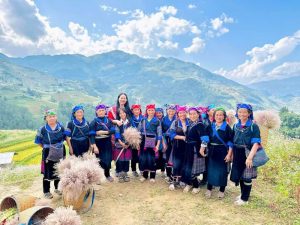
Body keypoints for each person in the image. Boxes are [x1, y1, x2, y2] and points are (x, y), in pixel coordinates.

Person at [230, 103, 261, 205]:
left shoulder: (253, 126)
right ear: (237, 113)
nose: (242, 114)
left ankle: (245, 199)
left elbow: (256, 144)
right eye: (240, 112)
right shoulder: (235, 126)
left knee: (247, 176)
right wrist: (231, 154)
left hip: (248, 152)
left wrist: (250, 158)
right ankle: (243, 194)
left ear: (249, 113)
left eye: (244, 112)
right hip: (237, 153)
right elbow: (233, 141)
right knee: (241, 175)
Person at [34, 109, 66, 199]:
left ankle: (58, 188)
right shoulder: (42, 129)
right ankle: (46, 191)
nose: (52, 118)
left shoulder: (61, 127)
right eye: (50, 117)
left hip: (60, 151)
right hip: (48, 152)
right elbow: (39, 142)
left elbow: (64, 138)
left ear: (56, 117)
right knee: (47, 172)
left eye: (53, 116)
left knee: (59, 170)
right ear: (46, 118)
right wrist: (47, 148)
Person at [205, 107, 233, 199]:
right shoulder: (210, 126)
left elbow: (230, 142)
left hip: (222, 151)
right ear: (214, 116)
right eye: (217, 114)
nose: (219, 116)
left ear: (224, 116)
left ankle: (222, 190)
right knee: (211, 169)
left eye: (221, 115)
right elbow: (206, 138)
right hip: (211, 150)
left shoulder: (227, 127)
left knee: (222, 171)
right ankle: (209, 188)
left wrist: (229, 154)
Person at [181, 107, 209, 194]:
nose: (192, 116)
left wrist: (202, 149)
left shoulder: (200, 125)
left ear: (198, 114)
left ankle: (196, 186)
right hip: (188, 148)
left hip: (195, 149)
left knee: (192, 169)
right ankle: (189, 183)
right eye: (191, 114)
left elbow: (205, 138)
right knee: (187, 167)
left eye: (194, 114)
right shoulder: (190, 124)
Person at [90, 104, 115, 182]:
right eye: (99, 111)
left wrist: (102, 132)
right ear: (96, 112)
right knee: (98, 160)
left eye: (102, 110)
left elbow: (113, 130)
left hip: (107, 142)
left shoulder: (108, 120)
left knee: (107, 159)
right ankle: (98, 177)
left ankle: (107, 175)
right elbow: (91, 135)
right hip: (98, 143)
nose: (101, 112)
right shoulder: (94, 122)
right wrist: (94, 146)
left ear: (105, 111)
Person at [138, 104, 162, 183]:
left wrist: (158, 145)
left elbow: (159, 134)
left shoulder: (157, 121)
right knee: (144, 158)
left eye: (152, 110)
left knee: (152, 159)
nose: (151, 112)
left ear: (154, 111)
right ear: (146, 111)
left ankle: (152, 176)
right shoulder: (143, 120)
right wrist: (138, 143)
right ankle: (145, 175)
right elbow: (138, 132)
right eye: (149, 110)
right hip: (143, 141)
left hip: (153, 141)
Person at [168, 106, 188, 190]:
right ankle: (174, 181)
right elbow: (171, 134)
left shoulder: (189, 122)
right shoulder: (175, 123)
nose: (182, 114)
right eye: (180, 113)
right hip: (177, 146)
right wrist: (182, 137)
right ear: (178, 114)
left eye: (184, 112)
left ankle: (183, 180)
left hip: (187, 147)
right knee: (176, 163)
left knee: (185, 163)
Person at [114, 108, 133, 182]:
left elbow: (132, 132)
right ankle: (120, 173)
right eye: (120, 113)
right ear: (119, 115)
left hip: (128, 144)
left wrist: (128, 143)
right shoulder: (118, 123)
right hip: (119, 144)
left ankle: (125, 173)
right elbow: (117, 133)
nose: (122, 114)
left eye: (123, 113)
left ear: (126, 113)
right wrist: (121, 142)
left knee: (126, 159)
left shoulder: (130, 123)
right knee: (120, 159)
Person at [161, 105, 176, 182]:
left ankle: (175, 173)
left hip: (175, 140)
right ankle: (168, 174)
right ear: (167, 111)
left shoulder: (177, 119)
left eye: (173, 110)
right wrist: (163, 143)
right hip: (166, 140)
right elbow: (161, 132)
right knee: (167, 157)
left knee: (174, 157)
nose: (171, 112)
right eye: (169, 110)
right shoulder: (163, 119)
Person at [130, 104, 144, 177]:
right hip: (133, 139)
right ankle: (134, 170)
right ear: (132, 111)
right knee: (134, 155)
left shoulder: (143, 118)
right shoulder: (130, 119)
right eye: (135, 110)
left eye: (138, 110)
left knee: (141, 155)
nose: (137, 111)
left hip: (142, 138)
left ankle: (141, 169)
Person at [155, 107, 166, 177]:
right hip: (155, 139)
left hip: (163, 140)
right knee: (156, 155)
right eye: (157, 113)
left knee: (162, 155)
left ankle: (162, 170)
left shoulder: (164, 120)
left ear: (162, 113)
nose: (159, 114)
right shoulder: (154, 120)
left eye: (160, 113)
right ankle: (154, 170)